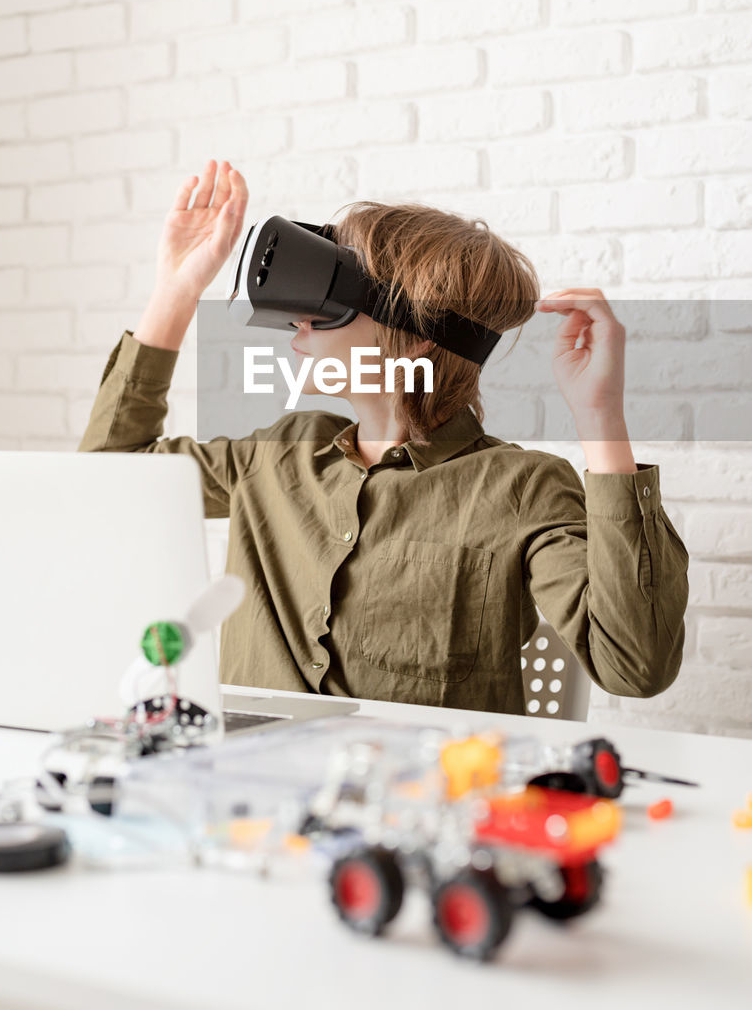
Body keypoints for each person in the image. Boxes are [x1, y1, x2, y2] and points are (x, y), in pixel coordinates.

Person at [77, 159, 690, 714]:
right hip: (246, 809)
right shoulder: (279, 453)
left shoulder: (522, 489)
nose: (298, 323)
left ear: (418, 330)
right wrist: (177, 289)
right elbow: (109, 478)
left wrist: (600, 417)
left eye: (325, 303)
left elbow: (633, 666)